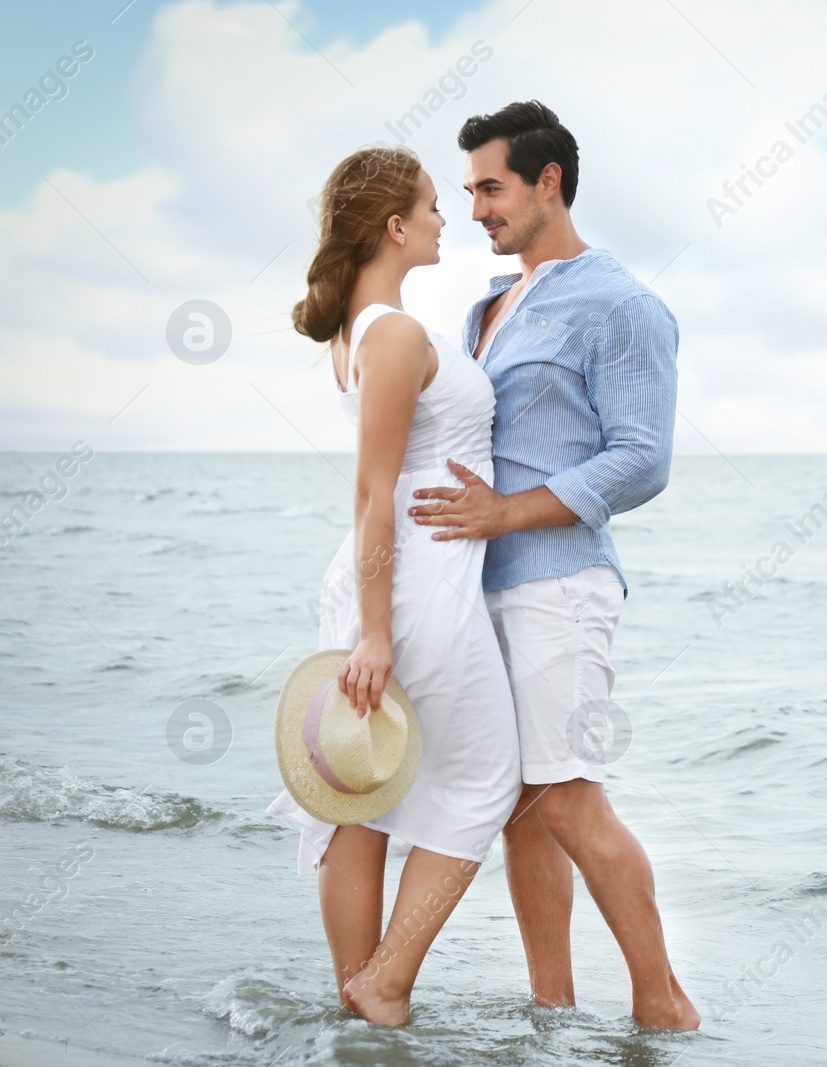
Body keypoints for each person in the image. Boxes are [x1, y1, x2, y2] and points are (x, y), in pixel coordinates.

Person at [409, 101, 699, 1030]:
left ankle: (665, 1008)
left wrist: (506, 512)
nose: (476, 209)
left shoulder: (622, 304)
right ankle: (553, 1011)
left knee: (569, 800)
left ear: (548, 181)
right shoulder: (488, 306)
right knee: (521, 809)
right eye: (466, 192)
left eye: (491, 188)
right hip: (480, 587)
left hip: (560, 584)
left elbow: (642, 458)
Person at [266, 146, 522, 1027]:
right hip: (417, 586)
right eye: (431, 205)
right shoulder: (399, 334)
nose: (448, 217)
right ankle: (384, 981)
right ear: (395, 226)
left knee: (364, 796)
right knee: (488, 780)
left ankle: (360, 1000)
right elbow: (375, 492)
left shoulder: (358, 334)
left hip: (392, 580)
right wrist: (377, 633)